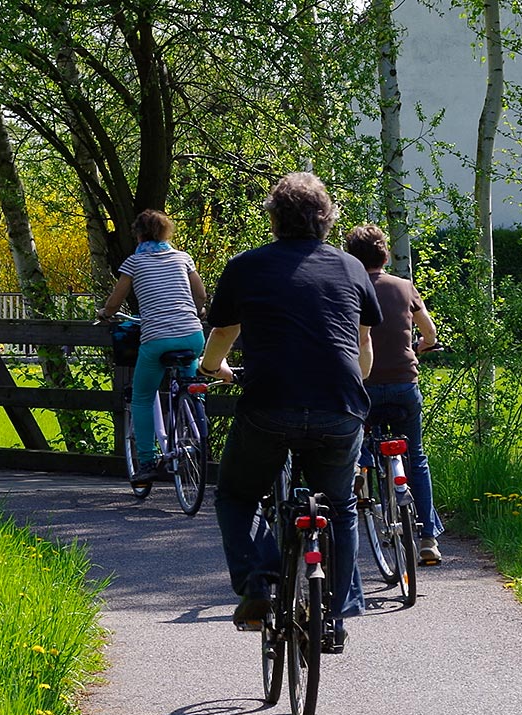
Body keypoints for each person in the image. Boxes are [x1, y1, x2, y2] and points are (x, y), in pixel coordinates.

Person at [198, 172, 380, 653]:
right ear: (327, 219)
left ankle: (257, 583)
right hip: (339, 405)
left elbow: (221, 337)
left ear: (274, 219)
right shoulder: (352, 269)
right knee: (340, 508)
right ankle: (334, 618)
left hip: (268, 404)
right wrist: (348, 389)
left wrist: (212, 368)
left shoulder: (245, 267)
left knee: (237, 496)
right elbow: (363, 347)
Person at [343, 224, 444, 566]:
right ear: (385, 255)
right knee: (416, 456)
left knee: (357, 435)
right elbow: (429, 331)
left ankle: (361, 470)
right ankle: (428, 537)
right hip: (404, 384)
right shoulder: (405, 287)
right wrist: (422, 345)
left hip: (365, 384)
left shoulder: (349, 288)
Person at [98, 210, 209, 484]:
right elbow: (201, 294)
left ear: (139, 234)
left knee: (142, 397)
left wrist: (105, 313)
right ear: (165, 233)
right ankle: (195, 421)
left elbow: (115, 301)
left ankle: (147, 463)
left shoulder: (134, 263)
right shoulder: (183, 258)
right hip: (193, 335)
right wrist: (196, 311)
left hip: (157, 339)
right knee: (191, 383)